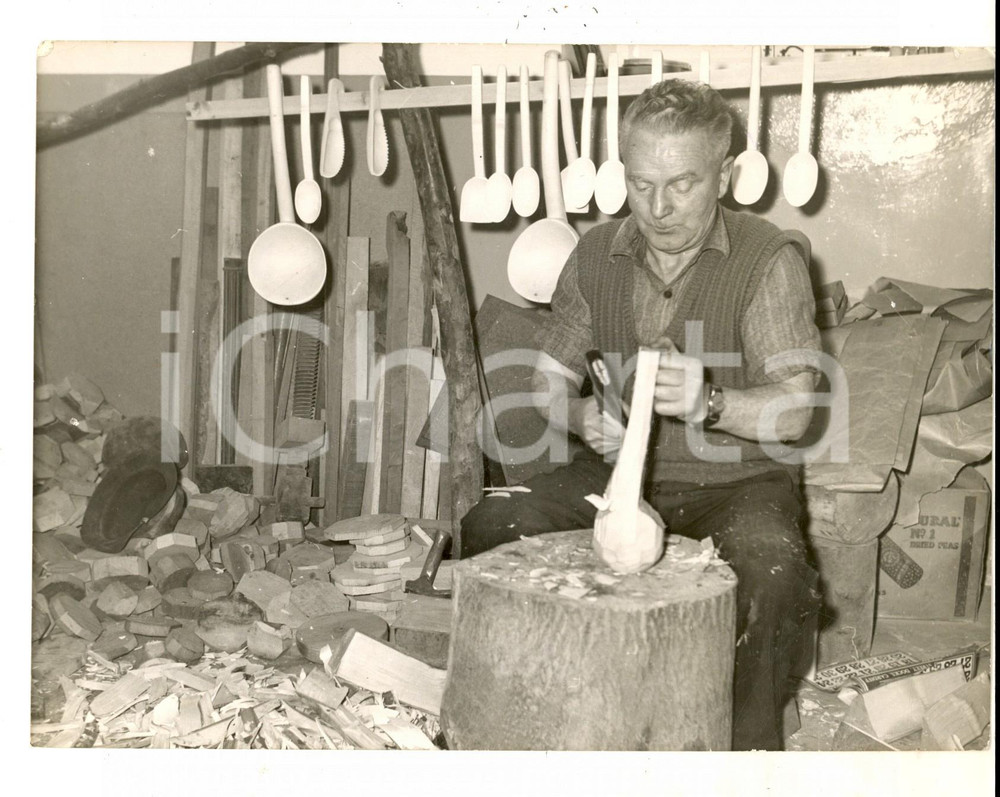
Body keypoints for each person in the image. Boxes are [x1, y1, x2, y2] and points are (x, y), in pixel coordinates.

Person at [460, 78, 823, 751]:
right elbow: (547, 382)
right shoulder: (595, 254)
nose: (658, 208)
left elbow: (797, 411)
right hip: (616, 478)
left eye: (682, 184)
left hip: (736, 482)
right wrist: (578, 417)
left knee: (772, 573)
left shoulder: (766, 259)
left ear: (724, 176)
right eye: (641, 182)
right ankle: (551, 723)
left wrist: (710, 402)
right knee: (494, 526)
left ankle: (743, 754)